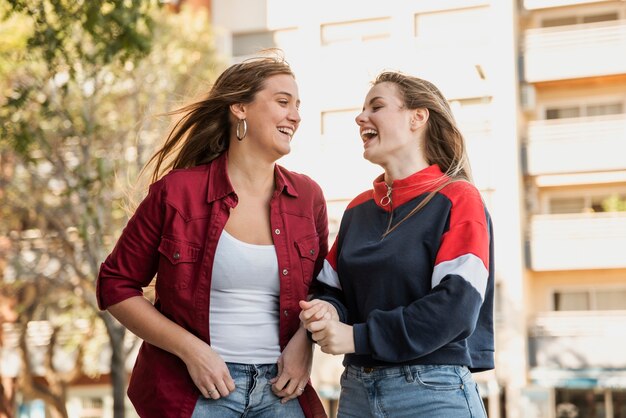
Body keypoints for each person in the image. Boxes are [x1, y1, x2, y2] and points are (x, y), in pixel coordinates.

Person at [96, 55, 329, 418]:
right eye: (283, 102)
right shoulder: (177, 193)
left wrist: (305, 345)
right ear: (239, 107)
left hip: (282, 392)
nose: (295, 116)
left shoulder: (307, 196)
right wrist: (192, 350)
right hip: (196, 391)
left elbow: (323, 292)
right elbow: (115, 285)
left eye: (297, 105)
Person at [299, 71, 494, 418]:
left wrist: (357, 338)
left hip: (432, 393)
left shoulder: (458, 198)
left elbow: (456, 307)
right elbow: (330, 290)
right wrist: (326, 311)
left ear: (418, 117)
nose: (361, 118)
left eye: (376, 106)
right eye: (362, 110)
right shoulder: (358, 209)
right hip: (357, 390)